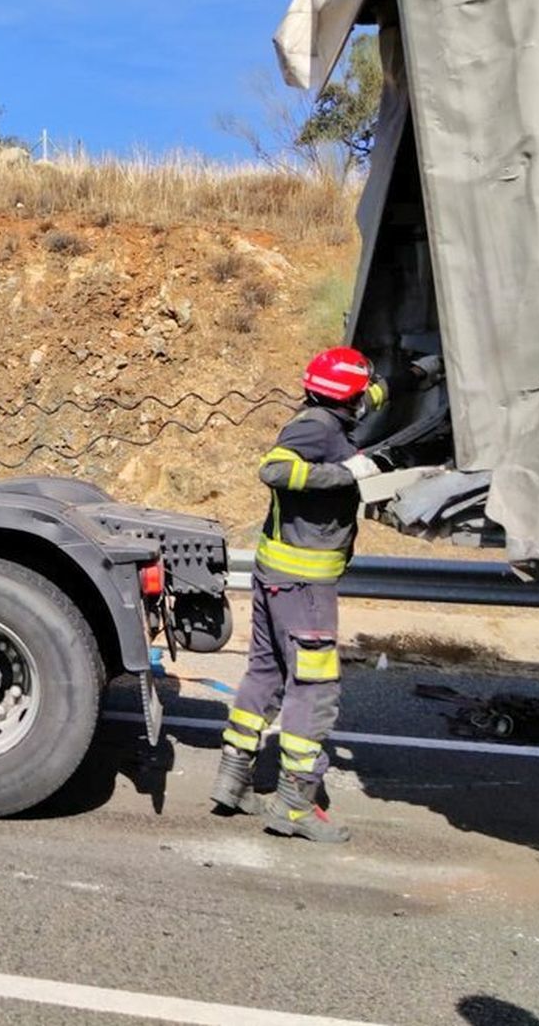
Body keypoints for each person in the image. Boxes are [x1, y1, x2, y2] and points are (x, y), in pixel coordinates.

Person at [210, 346, 437, 841]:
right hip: (305, 587)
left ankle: (233, 781)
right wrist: (348, 475)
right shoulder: (315, 426)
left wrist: (420, 373)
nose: (367, 399)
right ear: (345, 398)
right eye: (361, 392)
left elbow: (372, 394)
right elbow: (275, 469)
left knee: (264, 674)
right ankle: (294, 805)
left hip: (277, 578)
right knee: (314, 691)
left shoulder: (332, 412)